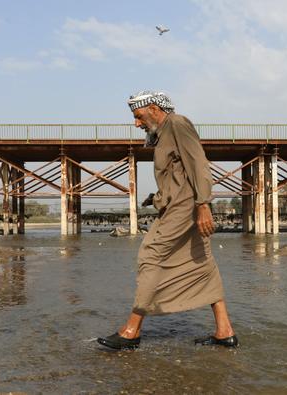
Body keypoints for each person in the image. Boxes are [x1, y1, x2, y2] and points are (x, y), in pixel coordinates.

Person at [97, 91, 238, 350]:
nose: (136, 124)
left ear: (153, 108)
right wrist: (156, 197)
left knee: (151, 256)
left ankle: (131, 330)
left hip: (185, 208)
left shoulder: (177, 124)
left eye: (138, 117)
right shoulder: (162, 134)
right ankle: (224, 330)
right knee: (203, 263)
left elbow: (198, 165)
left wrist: (203, 204)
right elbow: (177, 173)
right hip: (179, 205)